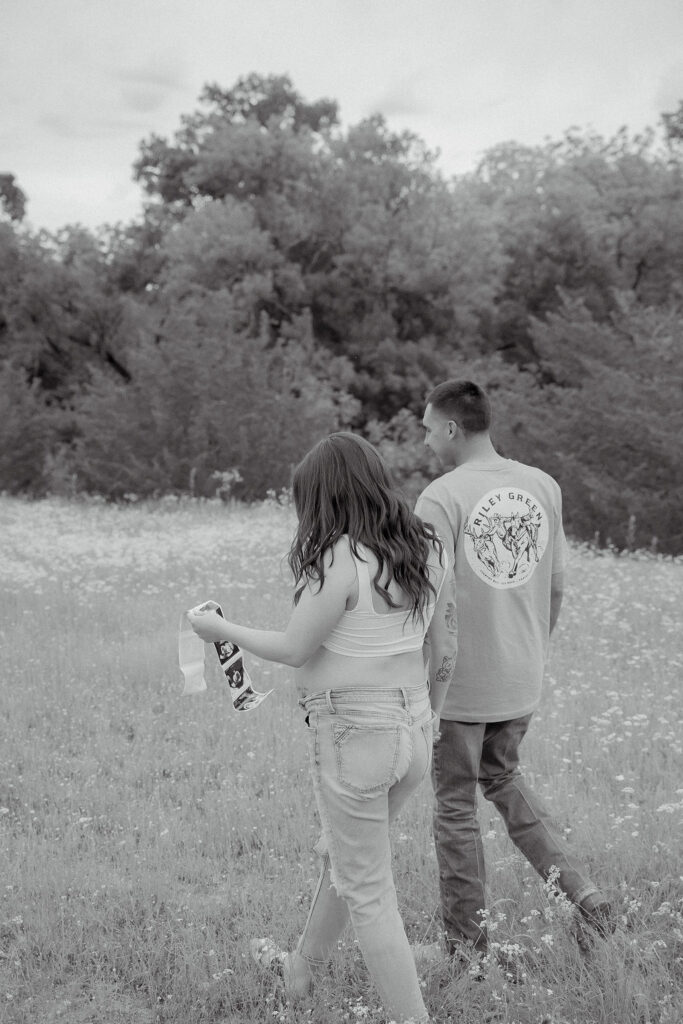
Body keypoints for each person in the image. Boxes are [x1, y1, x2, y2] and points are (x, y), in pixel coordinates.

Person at [189, 432, 455, 1024]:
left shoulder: (339, 557)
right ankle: (301, 967)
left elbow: (292, 648)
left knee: (369, 891)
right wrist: (429, 714)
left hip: (357, 731)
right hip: (412, 724)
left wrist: (221, 631)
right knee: (347, 856)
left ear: (326, 497)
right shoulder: (427, 549)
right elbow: (444, 645)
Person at [415, 380, 613, 960]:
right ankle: (587, 897)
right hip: (521, 675)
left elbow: (434, 607)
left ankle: (467, 947)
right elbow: (555, 586)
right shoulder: (542, 485)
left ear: (452, 427)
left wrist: (429, 692)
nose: (427, 442)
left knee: (455, 803)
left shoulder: (440, 498)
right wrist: (529, 651)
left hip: (462, 686)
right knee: (502, 779)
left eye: (428, 429)